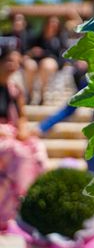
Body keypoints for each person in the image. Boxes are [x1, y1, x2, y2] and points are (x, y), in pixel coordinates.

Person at [0, 47, 47, 229]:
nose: (14, 66)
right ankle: (23, 200)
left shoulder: (14, 90)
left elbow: (22, 117)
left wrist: (23, 130)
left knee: (38, 149)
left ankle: (35, 197)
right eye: (10, 61)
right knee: (18, 152)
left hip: (10, 134)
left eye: (17, 62)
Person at [23, 16, 67, 105]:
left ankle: (42, 94)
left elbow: (62, 56)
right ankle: (29, 93)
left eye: (55, 23)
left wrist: (45, 53)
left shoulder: (60, 40)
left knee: (46, 64)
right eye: (51, 22)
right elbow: (27, 51)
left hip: (51, 63)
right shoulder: (37, 37)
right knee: (29, 65)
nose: (52, 25)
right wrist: (32, 52)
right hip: (36, 61)